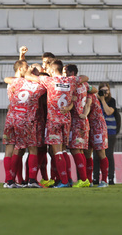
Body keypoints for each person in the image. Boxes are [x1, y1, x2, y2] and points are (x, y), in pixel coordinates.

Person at [26, 59, 89, 188]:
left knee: (57, 152)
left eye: (49, 69)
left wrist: (29, 69)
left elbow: (28, 76)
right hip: (66, 120)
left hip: (53, 120)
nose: (47, 71)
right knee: (64, 150)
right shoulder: (70, 80)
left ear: (54, 70)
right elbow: (85, 77)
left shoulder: (49, 80)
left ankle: (64, 181)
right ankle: (68, 179)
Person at [3, 60, 46, 188]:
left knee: (10, 148)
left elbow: (6, 79)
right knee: (32, 148)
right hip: (26, 119)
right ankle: (32, 180)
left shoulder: (17, 81)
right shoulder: (39, 86)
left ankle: (8, 181)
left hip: (11, 118)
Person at [64, 64, 97, 188]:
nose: (64, 74)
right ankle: (86, 179)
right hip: (83, 120)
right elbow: (95, 90)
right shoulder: (85, 85)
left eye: (65, 72)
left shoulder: (72, 85)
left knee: (75, 149)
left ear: (72, 73)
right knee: (81, 150)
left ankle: (84, 179)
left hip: (76, 119)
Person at [93, 83, 120, 185]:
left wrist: (103, 100)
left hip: (110, 131)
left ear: (109, 91)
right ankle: (95, 178)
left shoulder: (111, 101)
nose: (104, 93)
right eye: (102, 91)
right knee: (96, 155)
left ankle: (110, 178)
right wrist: (98, 98)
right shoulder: (96, 100)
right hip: (97, 131)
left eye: (106, 91)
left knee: (108, 155)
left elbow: (109, 112)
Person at [82, 93, 109, 187]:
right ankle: (89, 181)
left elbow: (88, 104)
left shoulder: (88, 93)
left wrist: (84, 114)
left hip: (97, 125)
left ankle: (105, 180)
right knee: (87, 152)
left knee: (101, 152)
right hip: (87, 125)